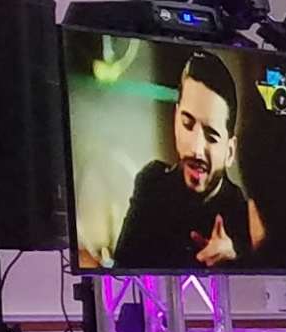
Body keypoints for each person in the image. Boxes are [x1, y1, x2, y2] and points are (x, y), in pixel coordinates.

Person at [100, 53, 265, 272]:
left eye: (211, 136)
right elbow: (124, 266)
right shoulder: (152, 183)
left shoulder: (245, 215)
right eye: (187, 124)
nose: (196, 149)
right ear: (175, 120)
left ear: (230, 150)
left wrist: (235, 260)